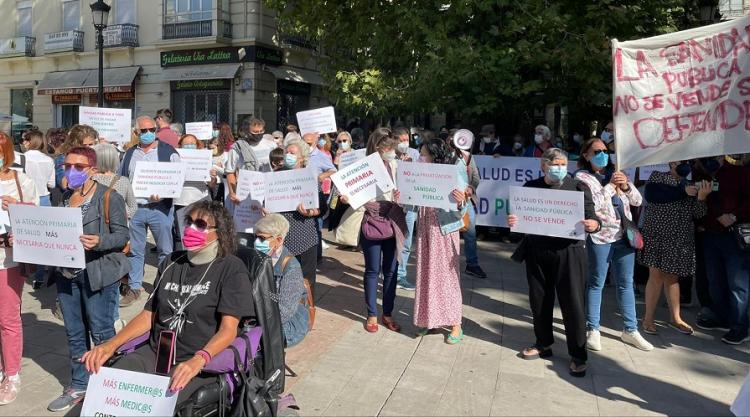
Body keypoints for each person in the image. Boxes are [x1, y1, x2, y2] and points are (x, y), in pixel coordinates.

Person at [81, 201, 254, 404]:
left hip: (197, 360)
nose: (191, 228)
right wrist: (110, 345)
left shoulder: (231, 268)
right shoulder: (171, 261)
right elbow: (148, 315)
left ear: (219, 232)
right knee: (107, 390)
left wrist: (198, 360)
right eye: (189, 222)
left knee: (157, 405)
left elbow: (229, 330)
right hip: (157, 352)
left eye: (200, 224)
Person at [47, 146, 130, 412]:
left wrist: (100, 241)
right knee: (74, 333)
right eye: (67, 165)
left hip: (98, 274)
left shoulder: (109, 197)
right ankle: (79, 384)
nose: (71, 171)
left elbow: (123, 236)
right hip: (66, 275)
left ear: (92, 169)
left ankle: (111, 386)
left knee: (102, 332)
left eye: (78, 167)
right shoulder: (63, 196)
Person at [508, 148, 599, 376]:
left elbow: (594, 217)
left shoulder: (578, 187)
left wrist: (593, 224)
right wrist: (514, 222)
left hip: (569, 252)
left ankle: (578, 355)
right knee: (539, 300)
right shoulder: (531, 188)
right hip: (538, 251)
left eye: (563, 164)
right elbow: (518, 230)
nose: (559, 168)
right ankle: (543, 343)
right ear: (543, 166)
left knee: (573, 304)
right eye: (555, 164)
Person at [575, 138, 653, 351]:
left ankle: (631, 329)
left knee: (625, 283)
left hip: (624, 237)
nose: (602, 154)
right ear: (586, 155)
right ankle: (593, 329)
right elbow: (595, 203)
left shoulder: (616, 173)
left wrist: (626, 185)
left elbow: (637, 201)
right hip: (600, 237)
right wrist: (610, 187)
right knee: (596, 282)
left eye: (605, 150)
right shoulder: (582, 177)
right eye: (597, 151)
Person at [639, 163, 711, 336]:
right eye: (678, 162)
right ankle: (648, 319)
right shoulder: (658, 176)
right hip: (657, 235)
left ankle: (675, 318)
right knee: (655, 276)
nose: (681, 165)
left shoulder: (692, 183)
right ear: (671, 163)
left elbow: (699, 214)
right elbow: (653, 195)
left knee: (672, 278)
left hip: (680, 237)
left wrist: (701, 197)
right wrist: (683, 191)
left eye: (685, 162)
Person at [118, 116, 180, 307]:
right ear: (136, 133)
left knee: (165, 250)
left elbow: (177, 180)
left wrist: (164, 195)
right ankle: (135, 288)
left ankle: (163, 286)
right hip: (136, 209)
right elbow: (122, 180)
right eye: (143, 131)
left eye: (151, 129)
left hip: (159, 209)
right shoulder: (129, 154)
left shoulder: (168, 152)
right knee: (136, 251)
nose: (147, 133)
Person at [412, 138, 466, 344]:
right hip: (425, 228)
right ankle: (430, 320)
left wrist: (461, 201)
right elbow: (411, 204)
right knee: (426, 273)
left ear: (434, 155)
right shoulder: (420, 174)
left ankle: (455, 324)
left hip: (443, 230)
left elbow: (463, 208)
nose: (421, 157)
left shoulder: (452, 173)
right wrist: (403, 197)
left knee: (447, 277)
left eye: (424, 154)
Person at [0, 132, 39, 405]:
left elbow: (38, 219)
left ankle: (12, 374)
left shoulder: (20, 181)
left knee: (7, 318)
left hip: (8, 258)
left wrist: (19, 207)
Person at [695, 155, 750, 344]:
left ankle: (740, 327)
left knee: (738, 284)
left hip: (734, 236)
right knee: (715, 281)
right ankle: (722, 317)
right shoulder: (703, 175)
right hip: (710, 234)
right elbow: (700, 204)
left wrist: (734, 216)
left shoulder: (739, 172)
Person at [254, 214, 309, 347]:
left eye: (262, 238)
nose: (256, 242)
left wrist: (254, 322)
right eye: (255, 237)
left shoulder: (291, 267)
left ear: (278, 240)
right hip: (261, 313)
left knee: (251, 340)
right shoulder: (257, 257)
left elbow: (284, 312)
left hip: (288, 324)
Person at [278, 140, 321, 298]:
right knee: (283, 279)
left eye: (293, 153)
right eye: (287, 152)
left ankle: (306, 315)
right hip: (281, 237)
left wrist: (309, 212)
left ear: (302, 158)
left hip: (304, 237)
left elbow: (320, 208)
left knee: (306, 281)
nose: (288, 156)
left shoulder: (310, 178)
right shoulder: (276, 176)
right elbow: (267, 201)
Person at [20, 130, 56, 288]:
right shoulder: (49, 160)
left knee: (23, 237)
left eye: (24, 140)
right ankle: (40, 276)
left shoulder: (21, 158)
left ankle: (23, 271)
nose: (23, 143)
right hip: (44, 199)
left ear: (29, 142)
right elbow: (52, 184)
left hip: (26, 199)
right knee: (43, 241)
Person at [453, 129, 487, 279]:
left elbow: (475, 177)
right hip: (448, 201)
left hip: (466, 200)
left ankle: (472, 265)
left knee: (470, 233)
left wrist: (470, 188)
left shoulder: (468, 157)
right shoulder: (445, 158)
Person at [175, 135, 219, 250]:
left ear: (197, 145)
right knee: (182, 232)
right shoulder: (175, 159)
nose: (190, 146)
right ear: (180, 146)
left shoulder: (204, 159)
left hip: (201, 200)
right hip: (181, 201)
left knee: (202, 231)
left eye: (192, 144)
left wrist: (213, 177)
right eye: (186, 144)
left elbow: (211, 185)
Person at [393, 128, 419, 291]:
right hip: (393, 205)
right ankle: (389, 271)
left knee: (407, 240)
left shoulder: (415, 154)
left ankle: (400, 275)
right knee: (391, 241)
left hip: (410, 205)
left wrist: (412, 166)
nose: (404, 143)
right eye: (401, 140)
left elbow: (423, 175)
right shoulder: (389, 154)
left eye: (406, 139)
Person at [226, 118, 273, 205]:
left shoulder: (271, 145)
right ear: (247, 132)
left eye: (261, 131)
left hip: (268, 190)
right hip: (246, 192)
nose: (259, 134)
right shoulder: (237, 148)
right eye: (255, 132)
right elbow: (230, 172)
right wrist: (233, 192)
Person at [92, 144, 137, 219]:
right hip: (118, 224)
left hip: (94, 223)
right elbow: (133, 208)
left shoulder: (90, 179)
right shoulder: (123, 180)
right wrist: (120, 213)